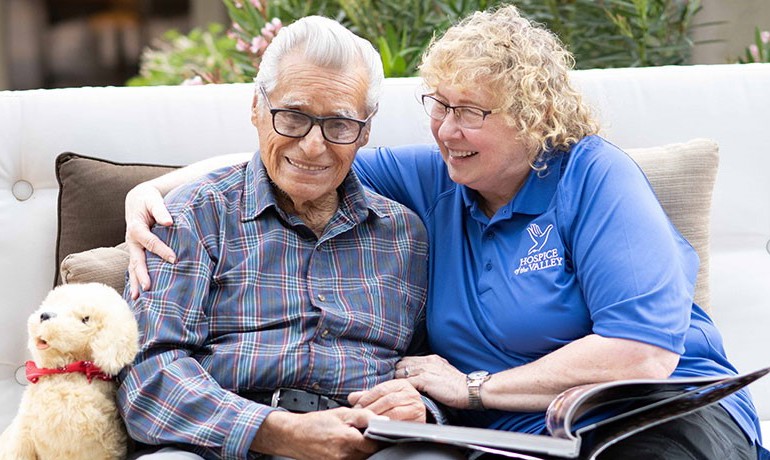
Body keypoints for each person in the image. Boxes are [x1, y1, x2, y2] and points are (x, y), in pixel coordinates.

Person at [125, 6, 767, 460]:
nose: (444, 129)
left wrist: (466, 391)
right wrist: (151, 191)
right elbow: (297, 158)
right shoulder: (437, 181)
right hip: (519, 434)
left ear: (534, 118)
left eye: (469, 112)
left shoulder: (592, 177)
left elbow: (642, 354)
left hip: (654, 413)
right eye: (438, 104)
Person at [117, 15, 469, 460]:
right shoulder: (192, 215)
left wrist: (423, 410)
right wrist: (276, 431)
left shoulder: (406, 236)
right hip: (224, 445)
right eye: (294, 117)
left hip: (368, 446)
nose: (313, 147)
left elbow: (431, 371)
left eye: (339, 125)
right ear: (256, 108)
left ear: (365, 129)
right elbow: (148, 378)